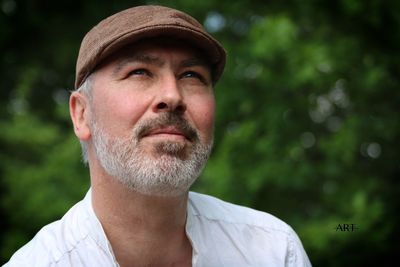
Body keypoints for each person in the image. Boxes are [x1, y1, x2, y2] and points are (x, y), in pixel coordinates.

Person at [5, 5, 311, 267]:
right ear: (82, 114)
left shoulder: (271, 251)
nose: (172, 95)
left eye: (191, 76)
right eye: (139, 72)